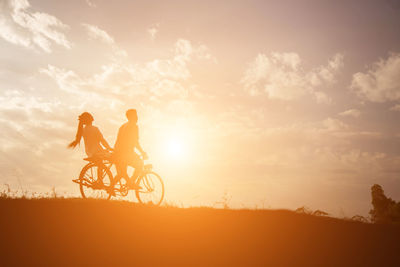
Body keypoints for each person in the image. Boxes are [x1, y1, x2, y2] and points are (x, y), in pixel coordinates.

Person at [68, 112, 113, 186]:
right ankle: (102, 181)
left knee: (100, 164)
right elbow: (102, 140)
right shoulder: (94, 129)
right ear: (91, 119)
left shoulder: (83, 130)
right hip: (98, 151)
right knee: (114, 157)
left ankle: (100, 180)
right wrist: (109, 148)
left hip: (90, 152)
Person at [113, 109, 148, 189]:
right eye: (135, 115)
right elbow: (135, 142)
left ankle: (111, 187)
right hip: (127, 152)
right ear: (132, 116)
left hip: (118, 151)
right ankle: (131, 183)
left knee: (121, 173)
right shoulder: (134, 126)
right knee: (140, 164)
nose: (137, 117)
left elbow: (118, 140)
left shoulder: (122, 126)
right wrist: (142, 152)